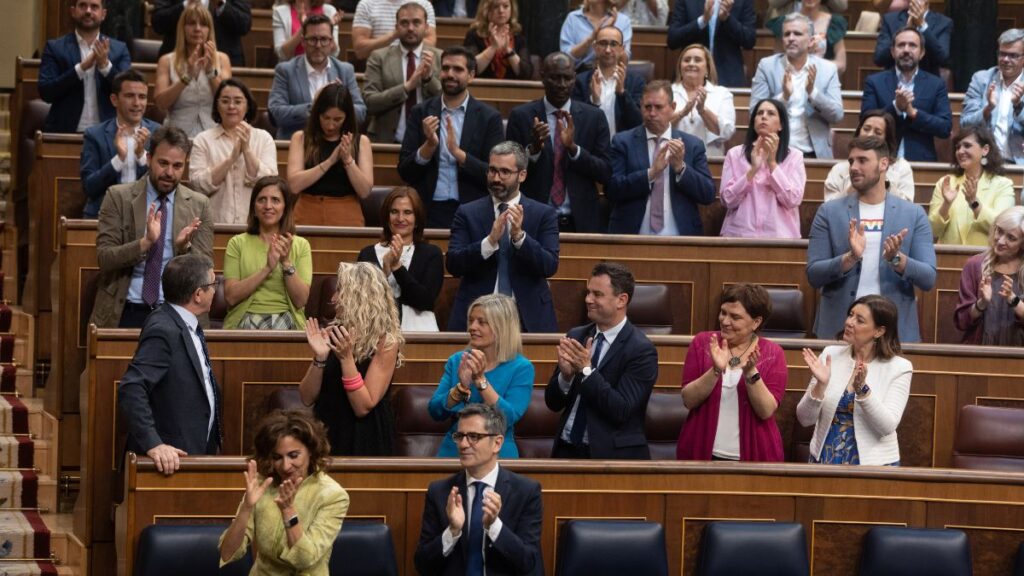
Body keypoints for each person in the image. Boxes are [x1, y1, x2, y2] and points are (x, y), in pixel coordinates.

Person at [807, 136, 936, 343]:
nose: (853, 167)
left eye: (862, 160)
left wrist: (896, 259)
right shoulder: (829, 212)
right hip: (839, 328)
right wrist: (849, 259)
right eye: (851, 161)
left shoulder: (913, 214)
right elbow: (813, 274)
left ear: (883, 164)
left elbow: (928, 278)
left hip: (893, 332)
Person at [91, 126, 213, 329]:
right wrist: (145, 243)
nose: (169, 172)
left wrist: (185, 249)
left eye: (177, 166)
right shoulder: (117, 197)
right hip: (127, 308)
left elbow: (205, 270)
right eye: (163, 163)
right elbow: (105, 258)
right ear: (148, 159)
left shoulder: (199, 205)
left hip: (177, 312)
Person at [117, 254, 221, 475]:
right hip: (172, 460)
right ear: (198, 294)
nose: (216, 289)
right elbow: (132, 387)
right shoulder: (163, 329)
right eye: (213, 283)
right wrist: (154, 444)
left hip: (193, 450)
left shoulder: (183, 323)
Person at [413, 403, 543, 576]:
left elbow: (529, 563)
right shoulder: (440, 492)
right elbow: (422, 564)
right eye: (459, 436)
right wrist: (452, 531)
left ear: (497, 443)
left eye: (473, 436)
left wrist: (495, 526)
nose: (463, 444)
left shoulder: (526, 491)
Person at [546, 262, 658, 459]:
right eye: (588, 292)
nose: (588, 299)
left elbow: (621, 409)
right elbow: (553, 403)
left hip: (610, 458)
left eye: (597, 294)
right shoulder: (577, 335)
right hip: (566, 451)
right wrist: (565, 377)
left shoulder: (641, 350)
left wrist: (587, 371)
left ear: (621, 300)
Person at [445, 141, 560, 333]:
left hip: (526, 316)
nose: (496, 178)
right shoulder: (467, 212)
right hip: (478, 317)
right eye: (492, 170)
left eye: (505, 172)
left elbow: (549, 265)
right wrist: (489, 242)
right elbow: (453, 264)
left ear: (522, 175)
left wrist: (520, 238)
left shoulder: (543, 214)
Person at [219, 410, 349, 575]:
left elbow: (304, 559)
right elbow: (227, 553)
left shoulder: (333, 495)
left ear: (311, 450)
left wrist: (288, 511)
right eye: (277, 457)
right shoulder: (262, 484)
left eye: (293, 455)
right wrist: (246, 507)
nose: (286, 466)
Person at [300, 262, 403, 455]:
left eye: (340, 291)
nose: (333, 298)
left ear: (359, 296)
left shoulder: (386, 342)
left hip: (364, 439)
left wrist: (346, 359)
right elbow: (306, 397)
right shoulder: (333, 333)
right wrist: (320, 358)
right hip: (328, 433)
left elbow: (363, 406)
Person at [797, 295, 912, 466]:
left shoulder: (899, 368)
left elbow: (887, 427)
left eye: (860, 320)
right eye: (850, 315)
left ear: (879, 331)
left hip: (874, 465)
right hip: (825, 457)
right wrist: (820, 386)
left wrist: (863, 390)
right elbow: (805, 419)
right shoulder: (830, 355)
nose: (849, 322)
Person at [676, 283, 787, 462]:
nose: (725, 321)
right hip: (701, 453)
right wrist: (716, 370)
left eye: (735, 317)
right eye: (723, 313)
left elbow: (766, 411)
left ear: (756, 322)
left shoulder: (773, 354)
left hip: (755, 456)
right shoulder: (703, 343)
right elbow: (688, 400)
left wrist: (750, 372)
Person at [398, 46, 505, 229]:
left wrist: (459, 154)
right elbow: (405, 172)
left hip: (472, 210)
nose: (450, 74)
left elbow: (496, 174)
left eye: (458, 69)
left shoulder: (489, 118)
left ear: (471, 75)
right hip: (428, 210)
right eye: (446, 68)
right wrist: (428, 147)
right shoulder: (420, 112)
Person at [506, 52, 612, 233]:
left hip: (581, 221)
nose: (562, 85)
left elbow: (605, 172)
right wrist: (533, 150)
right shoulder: (521, 116)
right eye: (555, 78)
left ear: (575, 78)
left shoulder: (594, 117)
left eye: (567, 78)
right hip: (533, 220)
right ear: (542, 77)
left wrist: (574, 149)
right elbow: (508, 175)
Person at [429, 295, 534, 458]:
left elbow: (507, 418)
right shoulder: (458, 360)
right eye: (471, 321)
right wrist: (461, 388)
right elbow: (435, 411)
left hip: (497, 452)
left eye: (481, 322)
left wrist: (480, 380)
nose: (472, 327)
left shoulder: (521, 368)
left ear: (502, 328)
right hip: (456, 450)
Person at [607, 80, 716, 235]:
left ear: (672, 107)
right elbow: (612, 189)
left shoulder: (692, 145)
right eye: (647, 107)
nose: (652, 113)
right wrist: (650, 174)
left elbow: (708, 194)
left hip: (681, 236)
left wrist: (681, 168)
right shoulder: (623, 142)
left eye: (658, 107)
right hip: (631, 235)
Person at [222, 176, 312, 330]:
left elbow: (301, 300)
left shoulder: (300, 245)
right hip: (245, 318)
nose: (268, 206)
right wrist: (267, 269)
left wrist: (285, 262)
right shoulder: (237, 243)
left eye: (275, 200)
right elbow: (231, 297)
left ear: (285, 208)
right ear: (254, 208)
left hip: (287, 318)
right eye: (262, 200)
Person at [751, 13, 844, 160]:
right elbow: (753, 113)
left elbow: (837, 115)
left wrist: (813, 93)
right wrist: (784, 97)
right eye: (787, 34)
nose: (791, 38)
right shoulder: (767, 66)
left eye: (797, 34)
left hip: (813, 154)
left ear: (811, 40)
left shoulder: (827, 69)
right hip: (774, 153)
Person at [189, 79, 278, 225]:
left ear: (247, 106)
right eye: (225, 101)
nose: (231, 106)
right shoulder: (203, 140)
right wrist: (231, 159)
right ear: (217, 105)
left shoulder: (264, 138)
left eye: (238, 101)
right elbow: (197, 185)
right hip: (214, 225)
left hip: (255, 226)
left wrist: (247, 150)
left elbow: (271, 184)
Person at [286, 83, 374, 226]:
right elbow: (294, 185)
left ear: (347, 116)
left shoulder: (361, 142)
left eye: (337, 119)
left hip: (347, 214)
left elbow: (364, 191)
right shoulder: (301, 138)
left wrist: (348, 160)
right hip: (306, 212)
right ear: (317, 114)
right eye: (325, 118)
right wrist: (330, 161)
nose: (331, 125)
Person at [267, 14, 366, 140]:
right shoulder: (286, 70)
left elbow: (361, 112)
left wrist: (340, 104)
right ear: (303, 42)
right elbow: (276, 113)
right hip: (297, 144)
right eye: (313, 39)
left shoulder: (345, 70)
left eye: (324, 39)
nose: (318, 45)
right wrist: (315, 106)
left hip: (337, 145)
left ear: (331, 43)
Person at [357, 186, 444, 331]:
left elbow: (424, 301)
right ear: (387, 217)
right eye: (394, 212)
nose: (400, 218)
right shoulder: (367, 254)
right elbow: (363, 301)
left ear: (417, 220)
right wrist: (384, 274)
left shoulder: (431, 254)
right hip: (376, 334)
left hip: (419, 333)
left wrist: (397, 267)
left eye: (408, 212)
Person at [38, 0, 131, 133]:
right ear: (73, 11)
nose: (88, 11)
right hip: (64, 133)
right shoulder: (55, 48)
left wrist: (105, 67)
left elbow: (127, 91)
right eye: (82, 6)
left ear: (103, 14)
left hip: (107, 135)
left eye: (94, 7)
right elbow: (46, 92)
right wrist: (80, 69)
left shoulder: (119, 49)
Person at [861, 27, 952, 162]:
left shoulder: (936, 84)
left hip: (921, 162)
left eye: (912, 45)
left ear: (921, 53)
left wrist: (913, 113)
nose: (906, 50)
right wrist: (896, 107)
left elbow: (945, 127)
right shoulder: (874, 82)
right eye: (901, 45)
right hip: (881, 159)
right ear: (892, 52)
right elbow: (865, 119)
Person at [80, 69, 161, 219]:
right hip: (104, 215)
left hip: (145, 217)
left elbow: (163, 184)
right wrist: (119, 159)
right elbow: (89, 188)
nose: (137, 103)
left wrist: (142, 156)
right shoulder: (94, 135)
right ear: (114, 100)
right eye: (130, 96)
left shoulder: (158, 133)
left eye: (142, 97)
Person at [719, 98, 805, 239]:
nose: (763, 116)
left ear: (781, 125)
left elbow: (792, 200)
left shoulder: (795, 157)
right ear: (754, 123)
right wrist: (752, 170)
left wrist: (772, 164)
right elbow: (727, 200)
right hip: (739, 236)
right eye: (759, 113)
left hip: (781, 238)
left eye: (771, 113)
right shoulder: (734, 155)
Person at [363, 2, 443, 144]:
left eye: (416, 22)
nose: (410, 28)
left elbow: (449, 102)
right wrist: (406, 87)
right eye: (404, 23)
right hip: (386, 140)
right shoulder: (379, 57)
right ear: (396, 27)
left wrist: (429, 79)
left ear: (426, 27)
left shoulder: (440, 58)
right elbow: (369, 103)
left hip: (430, 143)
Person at [153, 3, 233, 139]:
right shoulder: (166, 60)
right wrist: (186, 77)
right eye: (191, 23)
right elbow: (161, 103)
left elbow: (228, 100)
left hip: (214, 134)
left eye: (203, 24)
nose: (197, 29)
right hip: (176, 136)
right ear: (182, 28)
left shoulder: (222, 59)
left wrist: (210, 72)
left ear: (209, 29)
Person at [928, 126, 1015, 246]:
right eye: (958, 147)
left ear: (985, 150)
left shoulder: (1003, 185)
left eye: (967, 146)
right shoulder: (945, 183)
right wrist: (946, 205)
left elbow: (1004, 227)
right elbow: (933, 230)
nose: (960, 151)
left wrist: (974, 203)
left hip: (986, 260)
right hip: (949, 259)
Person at [955, 206, 1024, 345]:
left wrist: (1014, 301)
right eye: (999, 231)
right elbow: (962, 322)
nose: (1000, 241)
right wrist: (982, 303)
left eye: (1011, 238)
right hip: (980, 353)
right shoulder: (974, 266)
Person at [961, 29, 1024, 166]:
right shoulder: (981, 80)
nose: (1006, 60)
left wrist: (1019, 107)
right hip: (986, 164)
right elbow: (964, 124)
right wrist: (987, 109)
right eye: (1002, 54)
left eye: (1013, 55)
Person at [824, 109, 916, 202]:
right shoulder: (839, 170)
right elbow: (828, 208)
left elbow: (907, 206)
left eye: (878, 132)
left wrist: (884, 183)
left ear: (887, 139)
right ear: (859, 131)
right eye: (866, 129)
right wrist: (855, 186)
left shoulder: (901, 167)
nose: (870, 135)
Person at [571, 26, 645, 138]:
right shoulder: (580, 81)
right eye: (603, 43)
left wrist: (622, 93)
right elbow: (577, 123)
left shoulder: (636, 82)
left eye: (614, 44)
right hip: (591, 149)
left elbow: (638, 122)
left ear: (622, 49)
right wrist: (593, 102)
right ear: (595, 47)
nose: (608, 50)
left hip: (623, 151)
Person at [667, 0, 757, 88]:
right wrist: (702, 21)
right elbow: (673, 39)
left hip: (728, 78)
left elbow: (749, 40)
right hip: (690, 77)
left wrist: (727, 19)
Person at [670, 43, 735, 157]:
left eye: (697, 60)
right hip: (672, 158)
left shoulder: (722, 94)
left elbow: (726, 132)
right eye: (687, 60)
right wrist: (682, 113)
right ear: (680, 67)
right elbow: (657, 126)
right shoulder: (668, 91)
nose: (691, 63)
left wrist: (702, 111)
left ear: (707, 68)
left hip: (709, 159)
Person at [152, 0, 252, 67]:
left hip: (224, 63)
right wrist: (187, 4)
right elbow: (158, 23)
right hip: (176, 62)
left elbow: (244, 24)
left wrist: (221, 4)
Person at [766, 0, 848, 75]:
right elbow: (777, 61)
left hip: (823, 79)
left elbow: (841, 64)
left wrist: (811, 68)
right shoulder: (785, 23)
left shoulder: (833, 22)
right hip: (791, 80)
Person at [874, 0, 951, 76]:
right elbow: (879, 59)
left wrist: (922, 26)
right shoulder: (890, 20)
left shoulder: (943, 22)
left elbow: (943, 59)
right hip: (894, 81)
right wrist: (906, 30)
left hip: (927, 82)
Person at [463, 0, 533, 80]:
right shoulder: (475, 34)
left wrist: (508, 50)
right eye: (496, 7)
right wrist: (493, 48)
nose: (501, 11)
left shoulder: (518, 35)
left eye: (505, 6)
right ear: (486, 10)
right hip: (482, 89)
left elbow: (526, 74)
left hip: (513, 90)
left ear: (512, 9)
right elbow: (470, 68)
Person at [352, 0, 437, 61]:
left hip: (416, 65)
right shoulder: (366, 4)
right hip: (379, 68)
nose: (410, 27)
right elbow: (360, 51)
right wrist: (394, 35)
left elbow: (430, 45)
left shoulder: (424, 4)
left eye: (416, 22)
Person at [560, 0, 633, 71]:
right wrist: (592, 37)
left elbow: (623, 61)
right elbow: (566, 59)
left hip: (612, 74)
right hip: (580, 74)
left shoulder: (622, 20)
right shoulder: (573, 18)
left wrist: (610, 32)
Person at [272, 0, 343, 61]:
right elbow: (281, 54)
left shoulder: (329, 10)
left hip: (322, 69)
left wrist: (328, 27)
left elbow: (334, 53)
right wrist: (303, 27)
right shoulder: (280, 12)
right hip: (292, 71)